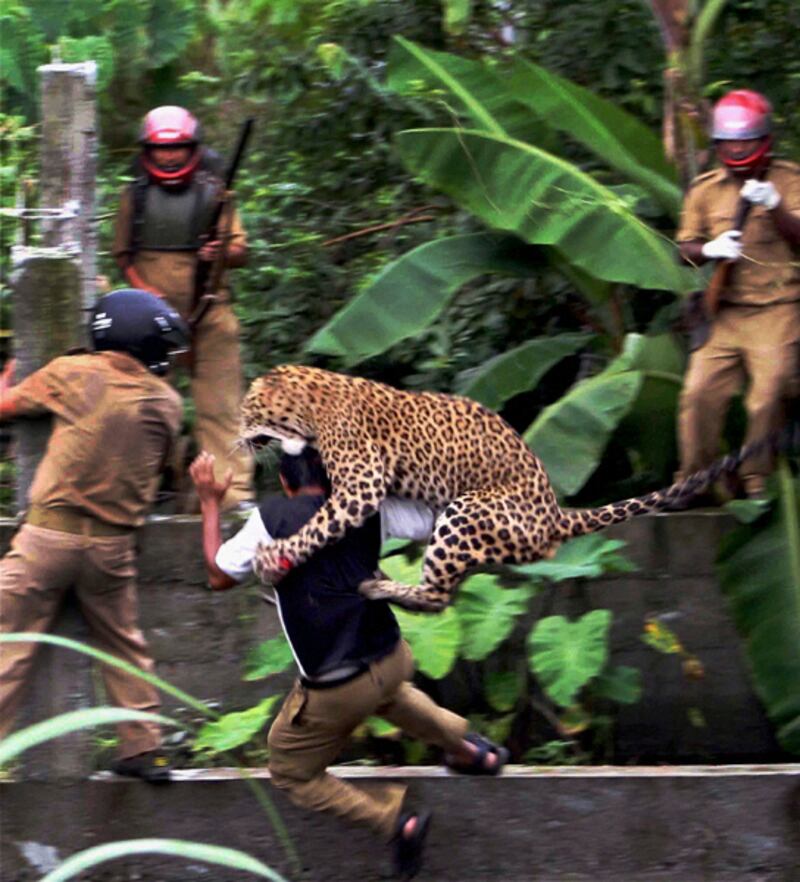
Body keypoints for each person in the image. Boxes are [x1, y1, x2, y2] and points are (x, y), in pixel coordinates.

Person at [189, 447, 508, 880]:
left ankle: (397, 824)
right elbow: (435, 519)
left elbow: (218, 574)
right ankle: (471, 750)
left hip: (337, 685)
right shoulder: (367, 506)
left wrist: (209, 502)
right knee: (388, 693)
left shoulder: (272, 519)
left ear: (286, 482)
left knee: (289, 769)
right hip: (391, 657)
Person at [0, 289, 187, 782]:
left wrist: (10, 371)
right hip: (112, 549)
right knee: (124, 644)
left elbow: (7, 405)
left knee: (8, 643)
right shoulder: (168, 403)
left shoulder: (73, 372)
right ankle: (142, 747)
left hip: (47, 539)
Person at [112, 105, 253, 511]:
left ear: (192, 148)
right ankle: (150, 490)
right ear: (148, 151)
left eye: (177, 149)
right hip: (150, 323)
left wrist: (220, 250)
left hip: (211, 314)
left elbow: (241, 250)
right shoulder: (134, 196)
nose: (169, 157)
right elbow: (124, 255)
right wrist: (144, 292)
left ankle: (233, 494)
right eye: (161, 150)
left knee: (222, 407)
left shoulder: (216, 192)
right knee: (147, 407)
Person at [676, 89, 800, 499]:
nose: (737, 148)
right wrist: (709, 249)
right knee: (697, 394)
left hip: (777, 308)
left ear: (764, 139)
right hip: (725, 312)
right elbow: (684, 252)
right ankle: (694, 479)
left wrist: (776, 206)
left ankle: (754, 477)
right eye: (729, 141)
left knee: (769, 394)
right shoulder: (705, 189)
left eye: (745, 140)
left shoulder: (789, 179)